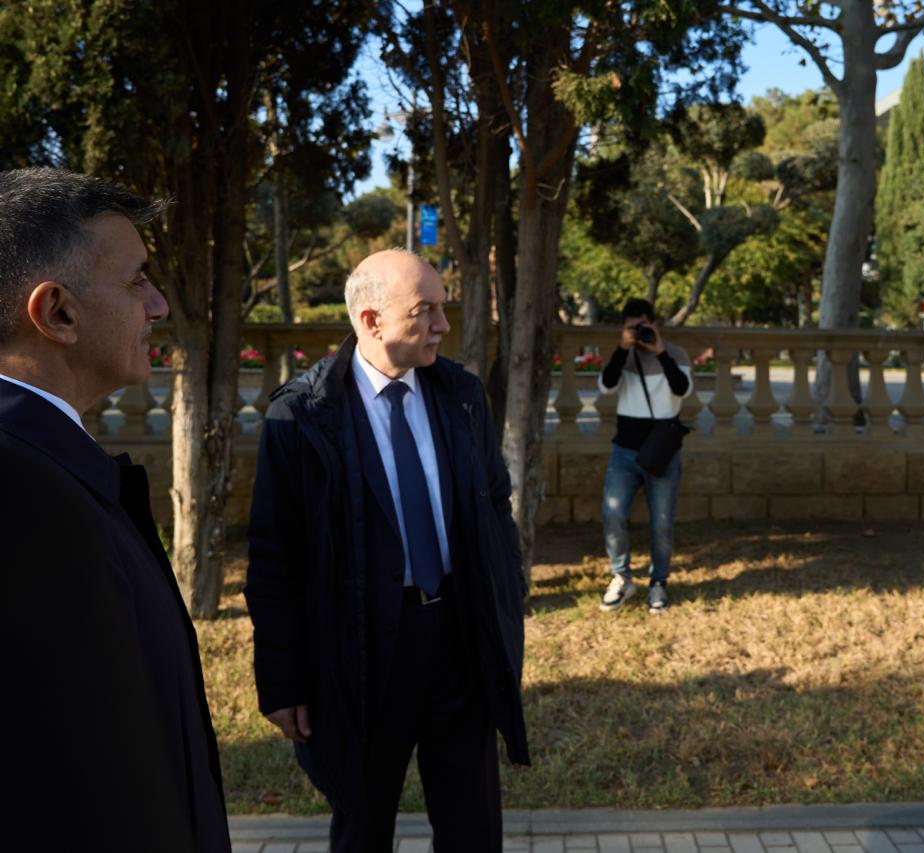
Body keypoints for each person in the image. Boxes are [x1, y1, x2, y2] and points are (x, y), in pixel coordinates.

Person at [245, 249, 529, 852]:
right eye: (426, 311)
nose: (443, 326)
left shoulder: (461, 395)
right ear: (371, 321)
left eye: (443, 309)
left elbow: (495, 505)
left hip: (459, 643)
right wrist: (281, 678)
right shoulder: (301, 416)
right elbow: (275, 557)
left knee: (473, 827)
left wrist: (507, 598)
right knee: (362, 826)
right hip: (361, 655)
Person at [0, 168, 230, 851]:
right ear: (57, 313)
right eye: (136, 281)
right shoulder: (25, 492)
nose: (158, 305)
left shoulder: (48, 466)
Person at [596, 297, 693, 613]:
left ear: (654, 323)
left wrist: (660, 350)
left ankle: (658, 583)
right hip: (624, 449)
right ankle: (621, 577)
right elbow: (607, 384)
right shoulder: (621, 356)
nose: (638, 332)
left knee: (662, 522)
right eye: (631, 327)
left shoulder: (675, 354)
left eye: (643, 326)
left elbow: (681, 389)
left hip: (661, 451)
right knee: (612, 513)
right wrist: (623, 348)